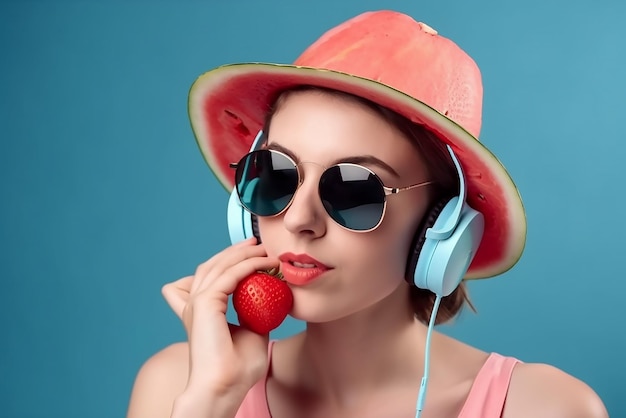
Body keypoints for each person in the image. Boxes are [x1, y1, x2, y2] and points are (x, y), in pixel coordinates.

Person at [126, 10, 608, 418]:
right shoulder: (177, 387)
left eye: (354, 189)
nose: (299, 220)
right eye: (276, 174)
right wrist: (211, 401)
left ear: (438, 226)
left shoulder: (546, 407)